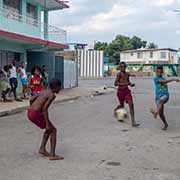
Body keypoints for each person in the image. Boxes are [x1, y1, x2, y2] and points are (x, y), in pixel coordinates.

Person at [27, 79, 64, 160]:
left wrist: (33, 108)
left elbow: (31, 100)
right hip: (35, 113)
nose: (59, 89)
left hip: (30, 112)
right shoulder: (52, 95)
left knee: (49, 129)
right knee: (53, 130)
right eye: (59, 87)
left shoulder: (44, 91)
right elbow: (45, 108)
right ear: (56, 87)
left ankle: (42, 149)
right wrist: (46, 123)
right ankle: (52, 155)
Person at [150, 66, 179, 130]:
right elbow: (163, 82)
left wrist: (172, 80)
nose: (159, 73)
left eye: (160, 72)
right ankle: (165, 124)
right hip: (158, 97)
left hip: (165, 95)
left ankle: (155, 113)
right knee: (161, 114)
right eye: (157, 72)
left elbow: (164, 82)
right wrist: (173, 79)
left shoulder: (163, 78)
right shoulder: (155, 79)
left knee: (161, 101)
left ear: (162, 72)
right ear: (156, 72)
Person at [114, 62, 139, 127]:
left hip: (127, 91)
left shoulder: (127, 74)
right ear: (120, 67)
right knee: (122, 106)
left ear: (126, 67)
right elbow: (115, 83)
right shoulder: (119, 74)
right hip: (120, 91)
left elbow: (128, 81)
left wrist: (131, 84)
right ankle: (117, 109)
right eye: (122, 67)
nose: (123, 68)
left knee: (131, 104)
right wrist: (125, 84)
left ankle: (133, 122)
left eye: (124, 67)